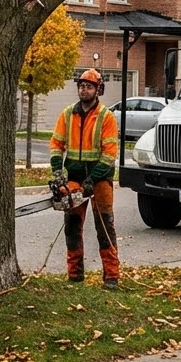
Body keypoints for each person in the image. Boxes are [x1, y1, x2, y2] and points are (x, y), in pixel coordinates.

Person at [49, 68, 121, 289]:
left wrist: (93, 178)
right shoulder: (68, 114)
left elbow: (109, 153)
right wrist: (57, 171)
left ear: (98, 89)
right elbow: (56, 143)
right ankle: (75, 274)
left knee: (105, 227)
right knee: (72, 226)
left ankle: (111, 276)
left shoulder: (106, 117)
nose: (84, 90)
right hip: (74, 178)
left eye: (89, 86)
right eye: (81, 86)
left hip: (100, 180)